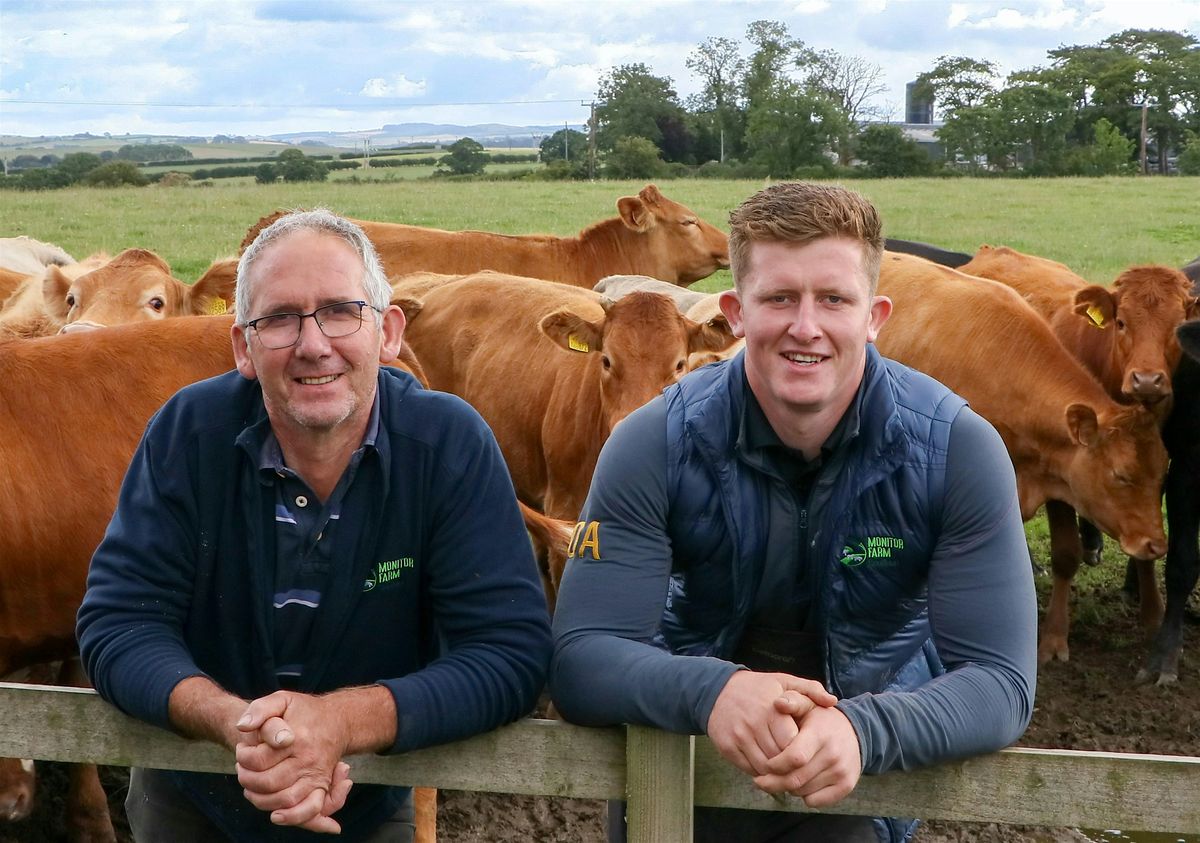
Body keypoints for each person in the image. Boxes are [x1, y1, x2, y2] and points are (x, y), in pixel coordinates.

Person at [549, 182, 1037, 843]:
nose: (805, 326)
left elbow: (1002, 680)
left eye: (834, 298)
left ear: (875, 315)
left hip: (861, 775)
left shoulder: (956, 450)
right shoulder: (651, 443)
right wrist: (713, 690)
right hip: (685, 753)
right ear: (734, 312)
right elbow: (581, 656)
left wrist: (865, 728)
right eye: (779, 298)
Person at [77, 209, 552, 842]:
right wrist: (240, 725)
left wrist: (341, 723)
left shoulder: (448, 444)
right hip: (194, 789)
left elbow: (510, 653)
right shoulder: (189, 432)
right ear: (243, 346)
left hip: (368, 798)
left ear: (388, 333)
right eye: (278, 318)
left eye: (339, 310)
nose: (312, 344)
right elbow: (117, 624)